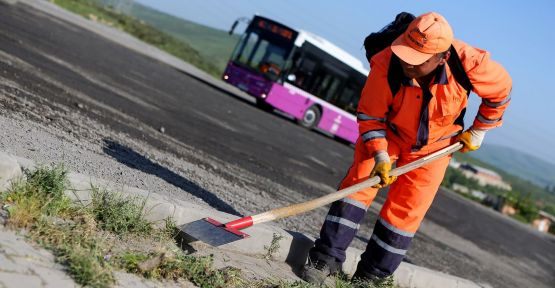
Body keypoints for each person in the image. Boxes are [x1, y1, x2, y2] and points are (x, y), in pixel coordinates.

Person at [301, 11, 512, 286]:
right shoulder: (386, 61)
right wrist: (379, 154)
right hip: (389, 135)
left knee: (404, 213)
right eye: (406, 54)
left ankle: (370, 277)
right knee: (357, 187)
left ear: (442, 57)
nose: (407, 64)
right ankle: (324, 260)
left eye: (418, 61)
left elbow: (501, 92)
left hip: (435, 148)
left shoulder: (469, 63)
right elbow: (370, 115)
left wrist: (479, 130)